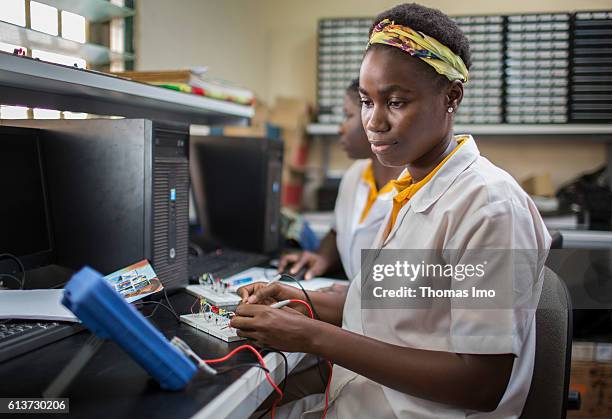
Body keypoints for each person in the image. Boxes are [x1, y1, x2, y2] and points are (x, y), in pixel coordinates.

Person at [231, 3, 551, 418]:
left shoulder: (490, 207)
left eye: (396, 102)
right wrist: (299, 295)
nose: (374, 122)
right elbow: (394, 300)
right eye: (366, 102)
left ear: (451, 97)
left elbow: (480, 383)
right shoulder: (412, 189)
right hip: (363, 400)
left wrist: (312, 336)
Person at [278, 80, 402, 281]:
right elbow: (338, 232)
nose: (340, 128)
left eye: (348, 116)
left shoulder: (415, 188)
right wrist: (321, 258)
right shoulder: (355, 173)